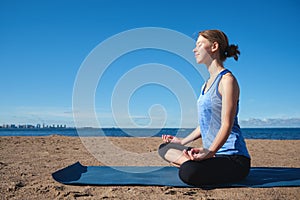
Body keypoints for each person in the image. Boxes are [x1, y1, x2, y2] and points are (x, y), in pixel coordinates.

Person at [158, 29, 251, 186]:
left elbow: (226, 124)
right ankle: (191, 161)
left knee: (189, 173)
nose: (195, 49)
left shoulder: (227, 80)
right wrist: (181, 141)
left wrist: (210, 151)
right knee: (164, 148)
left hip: (232, 158)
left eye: (200, 44)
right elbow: (205, 125)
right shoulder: (205, 85)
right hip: (212, 155)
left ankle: (190, 164)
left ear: (214, 46)